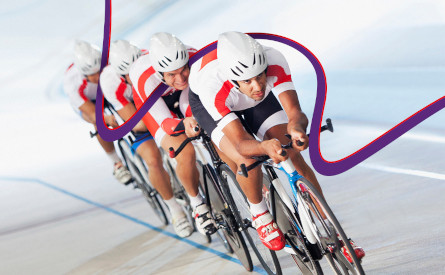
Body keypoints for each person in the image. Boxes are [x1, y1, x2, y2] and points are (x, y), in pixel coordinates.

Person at [188, 31, 365, 261]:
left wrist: (297, 128)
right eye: (248, 81)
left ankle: (337, 238)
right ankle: (259, 212)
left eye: (260, 76)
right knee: (248, 161)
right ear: (233, 78)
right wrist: (264, 147)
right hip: (209, 103)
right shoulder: (212, 86)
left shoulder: (273, 60)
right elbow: (241, 143)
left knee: (291, 152)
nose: (257, 85)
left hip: (252, 102)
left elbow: (295, 113)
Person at [99, 39, 194, 238]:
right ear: (121, 77)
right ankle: (175, 210)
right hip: (137, 115)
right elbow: (138, 124)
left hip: (160, 103)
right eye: (128, 75)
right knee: (152, 159)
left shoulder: (149, 61)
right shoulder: (110, 82)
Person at [129, 32, 217, 236]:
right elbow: (164, 122)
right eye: (171, 74)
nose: (180, 78)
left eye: (183, 70)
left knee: (214, 131)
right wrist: (183, 123)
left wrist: (192, 120)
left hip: (186, 96)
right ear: (160, 73)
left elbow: (192, 100)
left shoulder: (194, 56)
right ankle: (197, 205)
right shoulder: (144, 77)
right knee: (184, 153)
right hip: (156, 103)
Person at [63, 40, 131, 185]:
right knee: (98, 123)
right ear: (83, 74)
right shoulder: (72, 82)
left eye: (100, 71)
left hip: (108, 90)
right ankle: (117, 163)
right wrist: (104, 118)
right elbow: (92, 113)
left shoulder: (110, 62)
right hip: (88, 101)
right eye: (93, 75)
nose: (98, 76)